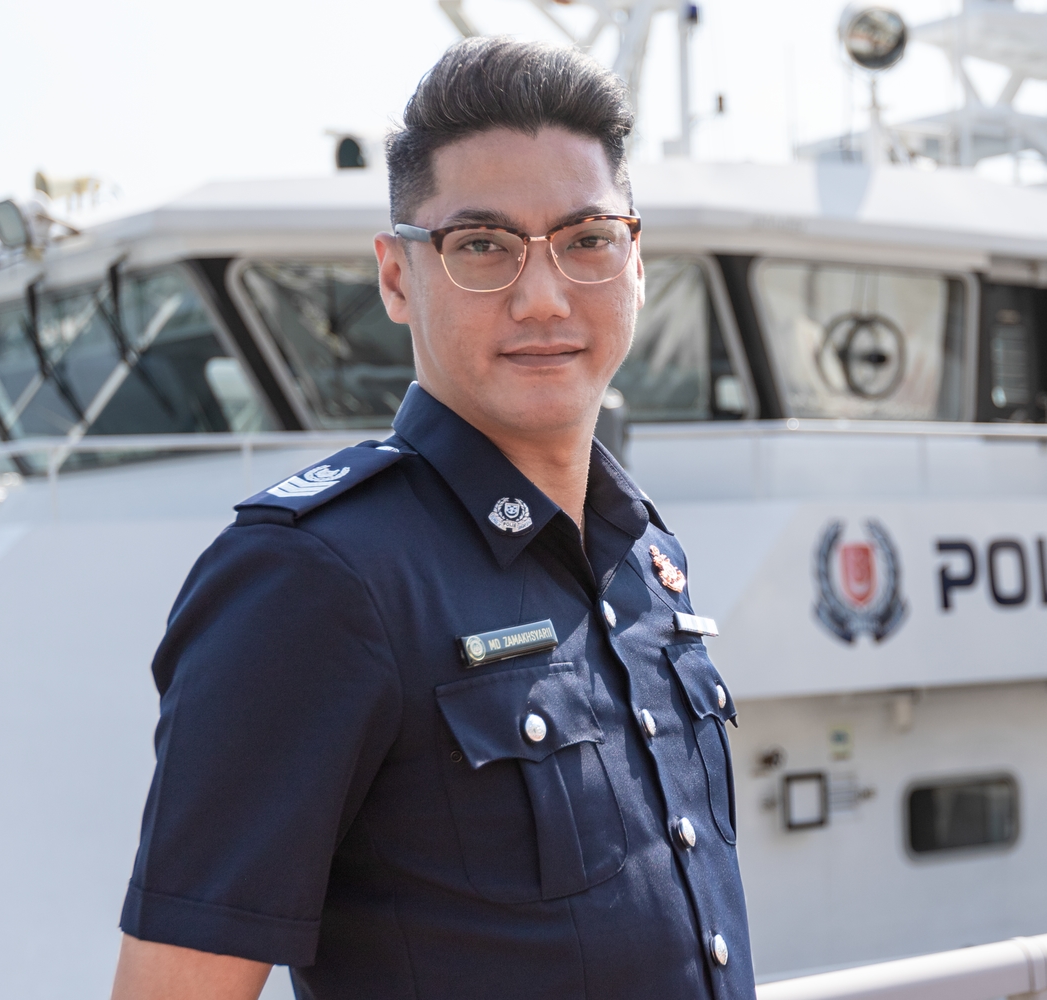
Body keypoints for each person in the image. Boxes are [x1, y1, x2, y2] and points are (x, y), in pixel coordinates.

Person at [110, 36, 753, 1000]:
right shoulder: (320, 577)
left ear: (635, 262)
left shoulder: (644, 556)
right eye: (482, 246)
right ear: (398, 277)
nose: (544, 298)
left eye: (586, 240)